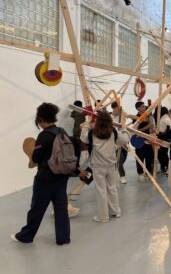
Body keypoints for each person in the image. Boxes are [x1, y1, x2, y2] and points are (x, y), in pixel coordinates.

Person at [11, 103, 71, 245]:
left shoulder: (43, 136)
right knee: (61, 208)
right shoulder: (61, 131)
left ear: (42, 119)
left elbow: (36, 158)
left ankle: (26, 236)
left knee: (37, 208)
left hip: (45, 178)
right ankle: (63, 238)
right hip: (62, 176)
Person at [81, 111, 130, 222]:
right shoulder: (113, 131)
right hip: (111, 165)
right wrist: (124, 129)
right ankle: (116, 211)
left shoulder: (92, 133)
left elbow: (83, 138)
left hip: (98, 166)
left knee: (101, 190)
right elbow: (125, 140)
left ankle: (103, 216)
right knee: (112, 188)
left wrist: (87, 125)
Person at [131, 101, 155, 182]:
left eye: (144, 106)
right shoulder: (135, 118)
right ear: (138, 108)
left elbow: (152, 127)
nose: (144, 107)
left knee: (149, 157)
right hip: (139, 141)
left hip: (148, 140)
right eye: (142, 106)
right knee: (140, 158)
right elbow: (135, 131)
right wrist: (147, 127)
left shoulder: (148, 116)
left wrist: (152, 130)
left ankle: (148, 173)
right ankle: (140, 173)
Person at [111, 102, 129, 184]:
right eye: (115, 109)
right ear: (113, 108)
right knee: (119, 159)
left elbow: (129, 116)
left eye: (118, 108)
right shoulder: (110, 117)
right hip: (115, 141)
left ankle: (118, 168)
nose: (116, 110)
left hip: (124, 138)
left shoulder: (122, 115)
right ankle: (122, 176)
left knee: (124, 157)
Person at [157, 106, 171, 174]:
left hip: (164, 137)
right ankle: (163, 167)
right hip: (162, 136)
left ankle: (168, 167)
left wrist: (164, 133)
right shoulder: (164, 117)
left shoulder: (166, 118)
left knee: (162, 153)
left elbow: (169, 127)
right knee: (161, 153)